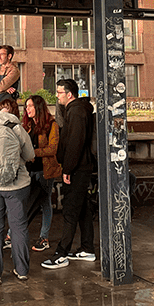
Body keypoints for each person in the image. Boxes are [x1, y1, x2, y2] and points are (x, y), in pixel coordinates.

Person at [0, 97, 35, 285]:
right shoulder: (17, 128)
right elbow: (30, 155)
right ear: (13, 112)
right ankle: (22, 270)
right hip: (16, 185)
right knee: (18, 227)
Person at [42, 78, 96, 269]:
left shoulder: (76, 111)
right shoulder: (76, 110)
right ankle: (87, 248)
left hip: (78, 169)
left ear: (69, 94)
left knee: (70, 210)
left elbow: (75, 142)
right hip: (80, 167)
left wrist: (68, 169)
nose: (57, 96)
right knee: (82, 210)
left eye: (59, 93)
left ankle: (61, 253)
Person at [22, 94, 60, 251]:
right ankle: (13, 234)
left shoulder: (52, 125)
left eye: (30, 106)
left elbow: (53, 148)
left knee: (44, 204)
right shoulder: (27, 125)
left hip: (45, 170)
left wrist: (33, 153)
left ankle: (44, 237)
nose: (27, 109)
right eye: (26, 106)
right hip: (28, 170)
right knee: (24, 201)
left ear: (38, 107)